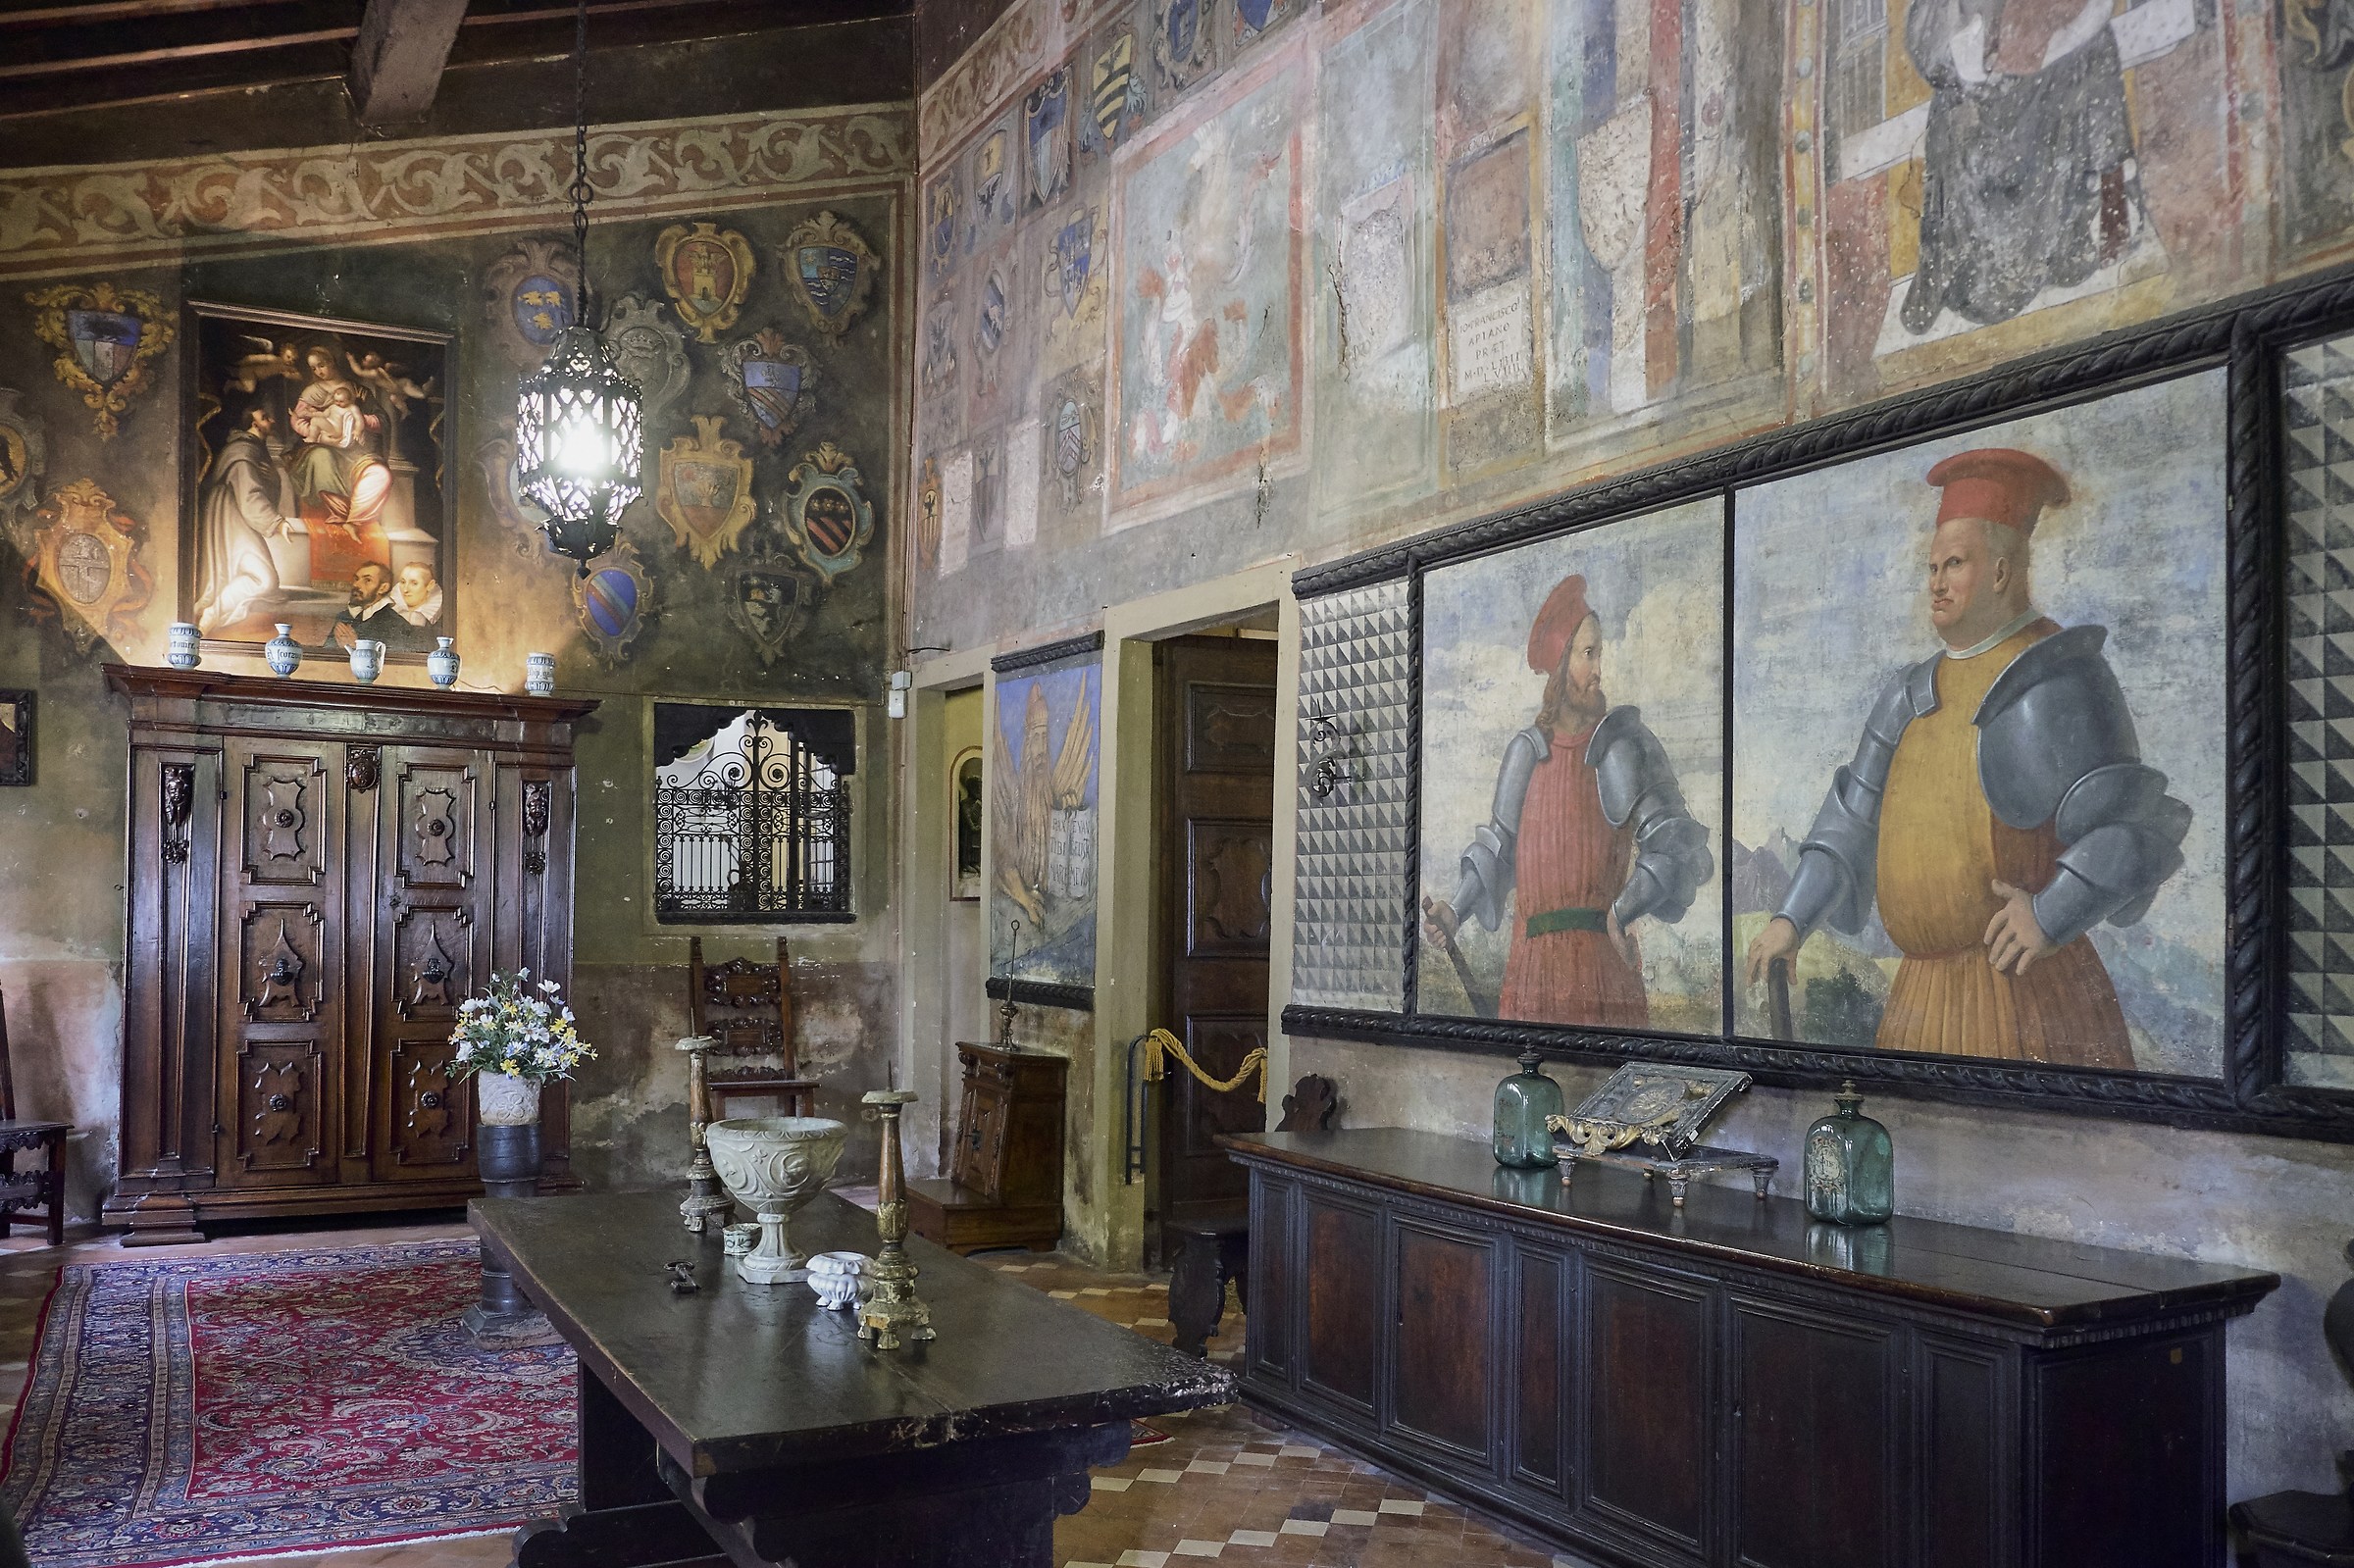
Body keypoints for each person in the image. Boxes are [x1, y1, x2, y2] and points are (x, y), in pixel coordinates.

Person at [1743, 447, 2192, 1067]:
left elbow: (2136, 830)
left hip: (2026, 997)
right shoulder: (1907, 694)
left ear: (2002, 571)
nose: (1935, 582)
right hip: (1917, 1003)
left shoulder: (2058, 674)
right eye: (1932, 566)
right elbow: (1850, 823)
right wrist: (1791, 920)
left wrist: (2051, 913)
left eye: (1954, 563)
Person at [1423, 575, 1714, 1027]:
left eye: (1600, 653)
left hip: (1603, 968)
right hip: (1530, 974)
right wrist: (1456, 910)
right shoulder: (1525, 752)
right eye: (1588, 654)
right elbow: (1497, 850)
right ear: (1561, 666)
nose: (1598, 670)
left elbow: (1674, 847)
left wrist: (1621, 914)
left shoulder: (1623, 745)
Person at [1900, 0, 2139, 332]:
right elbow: (1929, 44)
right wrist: (1976, 60)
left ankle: (2084, 227)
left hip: (2047, 121)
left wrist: (2113, 201)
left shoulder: (2083, 43)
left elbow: (2092, 40)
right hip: (1978, 116)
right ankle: (1952, 268)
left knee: (2094, 46)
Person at [191, 407, 294, 636]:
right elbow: (250, 494)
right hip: (232, 514)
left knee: (257, 578)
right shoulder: (243, 451)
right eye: (264, 418)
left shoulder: (253, 448)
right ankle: (213, 613)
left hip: (236, 513)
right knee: (264, 579)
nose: (272, 420)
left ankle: (213, 612)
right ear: (253, 424)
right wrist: (277, 522)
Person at [287, 347, 390, 529]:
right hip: (322, 446)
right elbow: (298, 420)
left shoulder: (358, 391)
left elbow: (382, 421)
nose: (319, 371)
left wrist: (356, 421)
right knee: (321, 458)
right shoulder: (311, 392)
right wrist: (320, 435)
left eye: (321, 365)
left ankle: (355, 520)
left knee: (380, 473)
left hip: (357, 452)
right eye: (313, 368)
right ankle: (340, 513)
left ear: (331, 362)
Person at [331, 562, 414, 652]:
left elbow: (397, 659)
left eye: (367, 580)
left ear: (383, 588)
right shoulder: (344, 616)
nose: (356, 584)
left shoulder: (396, 624)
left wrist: (355, 647)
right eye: (356, 579)